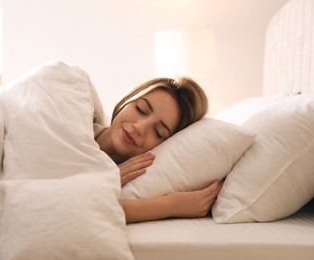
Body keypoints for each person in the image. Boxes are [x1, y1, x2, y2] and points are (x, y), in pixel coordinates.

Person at [95, 77, 223, 223]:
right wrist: (170, 205)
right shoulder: (78, 122)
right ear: (128, 100)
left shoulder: (126, 175)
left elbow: (89, 207)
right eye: (140, 109)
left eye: (158, 132)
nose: (139, 127)